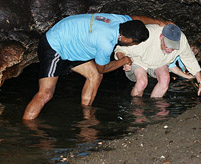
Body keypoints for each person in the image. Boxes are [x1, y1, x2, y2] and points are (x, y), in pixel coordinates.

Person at [23, 13, 171, 120]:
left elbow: (138, 18)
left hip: (75, 45)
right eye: (133, 43)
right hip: (55, 45)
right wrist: (124, 60)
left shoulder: (119, 20)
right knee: (46, 93)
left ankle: (86, 117)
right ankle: (27, 129)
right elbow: (103, 68)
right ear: (125, 39)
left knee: (94, 76)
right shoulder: (106, 42)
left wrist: (160, 22)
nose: (133, 45)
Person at [114, 24, 201, 98]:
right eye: (167, 45)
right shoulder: (146, 36)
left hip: (159, 62)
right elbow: (120, 49)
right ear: (161, 37)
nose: (169, 50)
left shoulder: (182, 41)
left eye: (173, 47)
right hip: (138, 60)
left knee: (165, 79)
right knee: (142, 82)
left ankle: (154, 107)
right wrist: (124, 60)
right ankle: (135, 112)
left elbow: (191, 61)